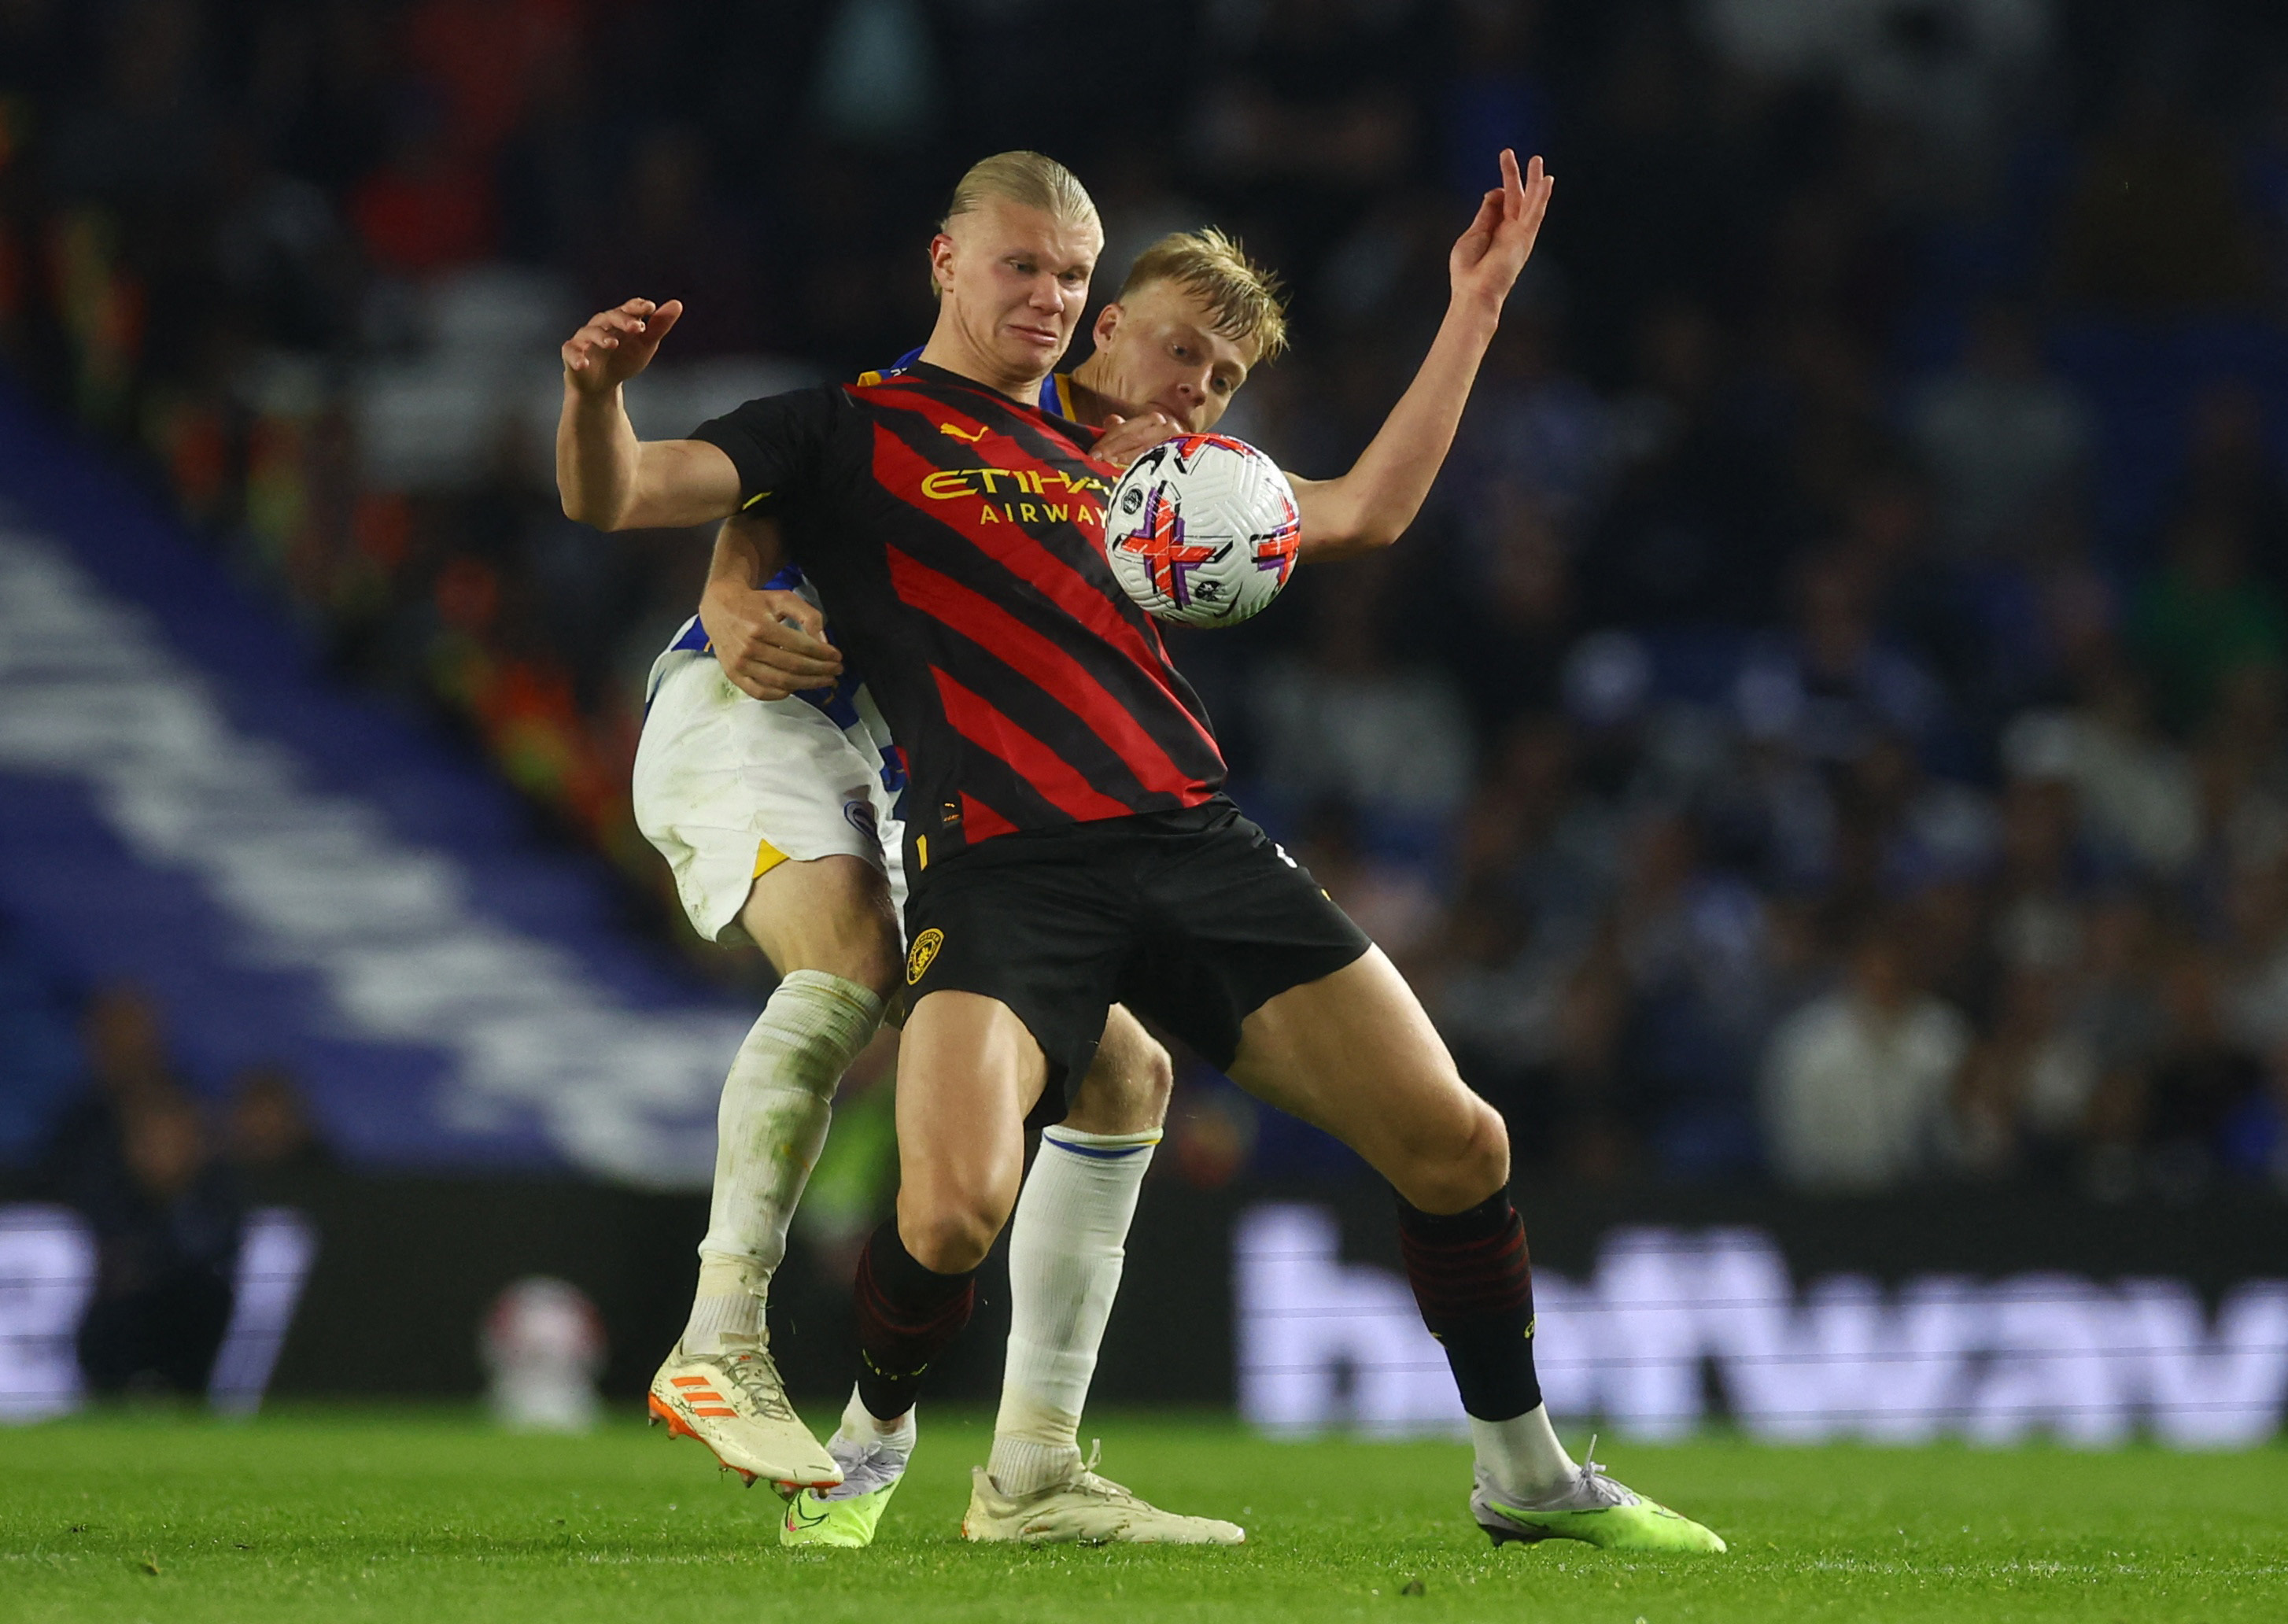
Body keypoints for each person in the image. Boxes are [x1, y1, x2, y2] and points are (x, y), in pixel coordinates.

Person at [560, 147, 1722, 1556]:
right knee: (948, 1210)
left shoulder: (1157, 488)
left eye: (1070, 273)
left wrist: (1470, 307)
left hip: (1191, 836)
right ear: (961, 267)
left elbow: (1367, 510)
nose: (1055, 298)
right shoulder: (848, 428)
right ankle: (867, 1455)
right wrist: (601, 404)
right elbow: (634, 494)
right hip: (1000, 863)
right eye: (1032, 271)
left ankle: (1524, 1475)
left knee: (1458, 1139)